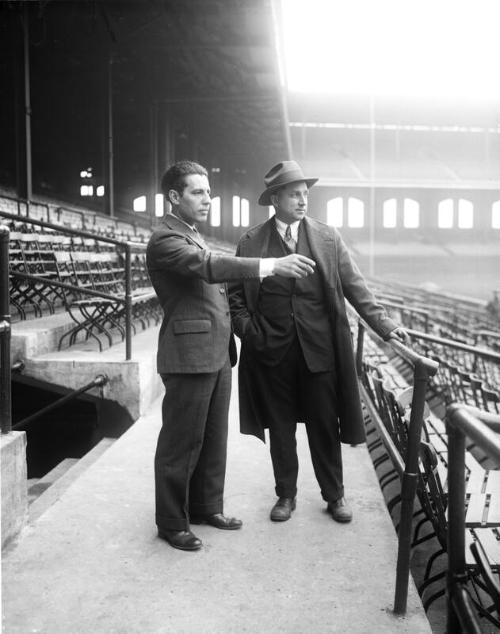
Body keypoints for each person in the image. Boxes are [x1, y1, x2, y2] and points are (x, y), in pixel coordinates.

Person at [146, 160, 316, 551]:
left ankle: (206, 506)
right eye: (197, 192)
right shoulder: (166, 239)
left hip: (216, 352)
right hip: (189, 354)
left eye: (208, 191)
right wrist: (272, 265)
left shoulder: (191, 233)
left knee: (212, 437)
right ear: (174, 197)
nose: (207, 199)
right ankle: (171, 521)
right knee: (181, 441)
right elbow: (209, 267)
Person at [229, 160, 408, 524]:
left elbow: (355, 287)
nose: (302, 200)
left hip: (320, 350)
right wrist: (251, 333)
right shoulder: (250, 241)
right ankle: (286, 495)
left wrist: (385, 325)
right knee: (280, 428)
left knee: (324, 424)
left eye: (305, 194)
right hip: (272, 352)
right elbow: (234, 297)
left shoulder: (327, 237)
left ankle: (335, 495)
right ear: (275, 199)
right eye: (294, 194)